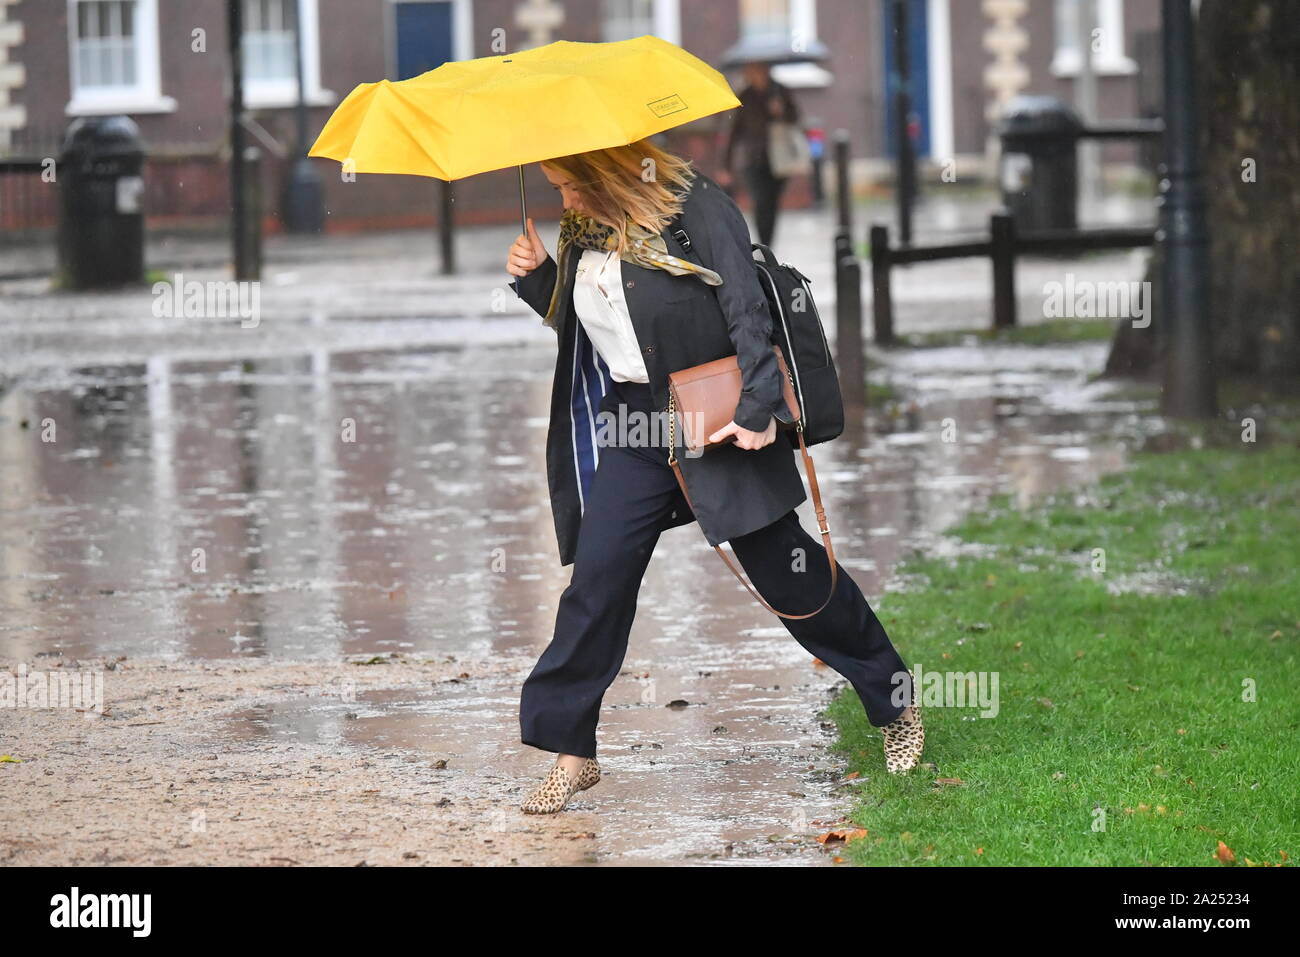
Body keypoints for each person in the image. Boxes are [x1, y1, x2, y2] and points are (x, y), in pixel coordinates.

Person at [505, 139, 924, 814]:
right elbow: (603, 327)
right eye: (556, 188)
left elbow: (746, 309)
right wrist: (537, 281)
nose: (565, 199)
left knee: (789, 574)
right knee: (596, 585)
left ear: (603, 170)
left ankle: (894, 697)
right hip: (636, 428)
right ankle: (572, 752)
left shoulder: (695, 206)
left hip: (715, 413)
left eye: (569, 184)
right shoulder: (583, 229)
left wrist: (759, 406)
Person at [718, 60, 799, 248]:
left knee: (772, 202)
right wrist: (725, 166)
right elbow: (733, 133)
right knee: (760, 201)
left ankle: (769, 241)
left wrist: (781, 112)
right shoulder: (745, 96)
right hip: (752, 159)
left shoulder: (780, 91)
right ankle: (765, 243)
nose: (752, 73)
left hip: (779, 158)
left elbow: (795, 118)